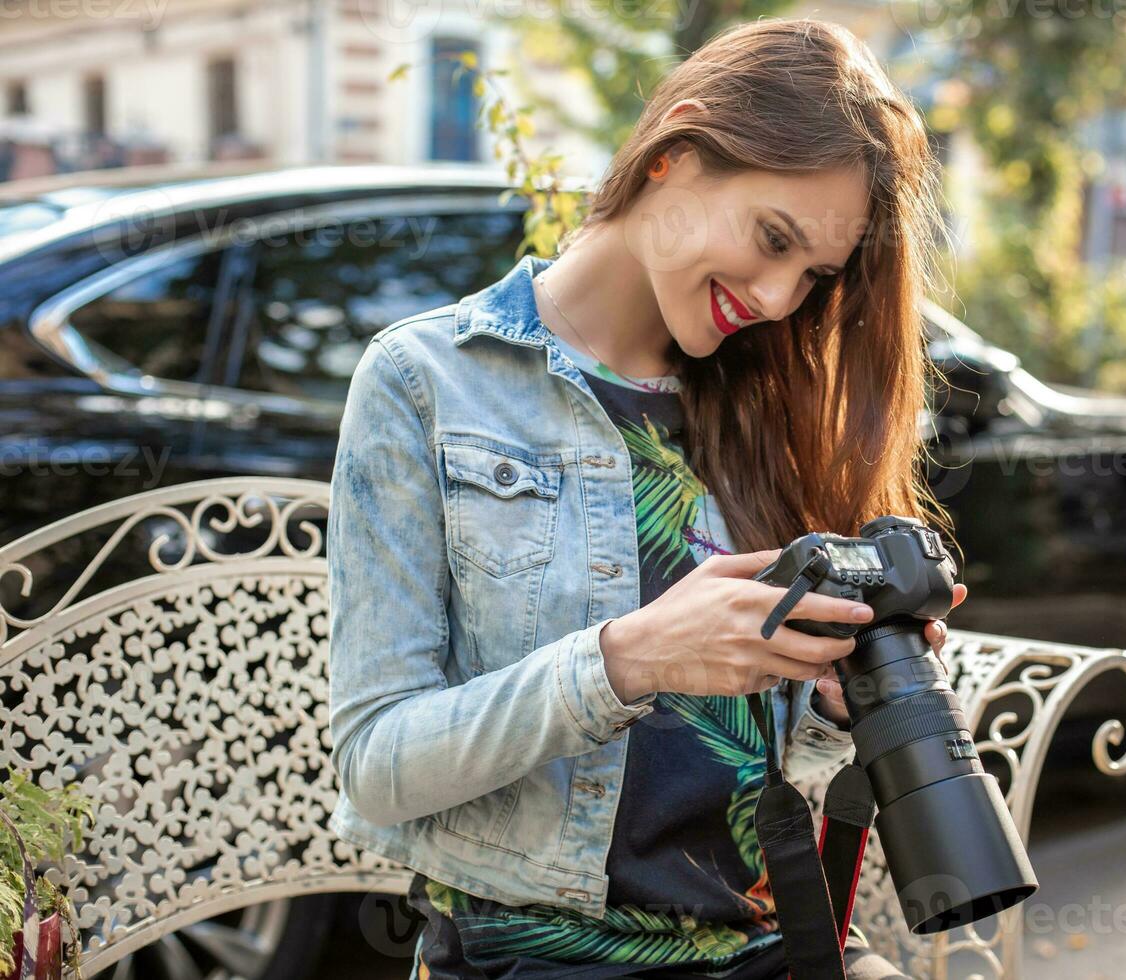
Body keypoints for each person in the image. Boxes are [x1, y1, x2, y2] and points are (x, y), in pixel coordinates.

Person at [326, 16, 967, 979]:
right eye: (772, 238)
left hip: (765, 945)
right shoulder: (426, 381)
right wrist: (629, 659)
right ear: (675, 155)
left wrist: (838, 709)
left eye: (814, 276)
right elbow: (377, 764)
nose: (781, 298)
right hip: (533, 954)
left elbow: (778, 787)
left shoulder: (765, 411)